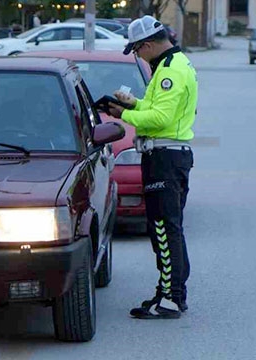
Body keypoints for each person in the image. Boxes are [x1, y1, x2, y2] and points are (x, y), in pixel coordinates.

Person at [107, 15, 197, 320]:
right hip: (167, 156)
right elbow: (155, 108)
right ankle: (168, 292)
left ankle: (172, 297)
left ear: (147, 45)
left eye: (136, 50)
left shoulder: (171, 70)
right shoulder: (170, 66)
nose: (136, 56)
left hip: (165, 157)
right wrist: (132, 105)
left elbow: (161, 119)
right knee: (163, 227)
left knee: (164, 227)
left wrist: (124, 115)